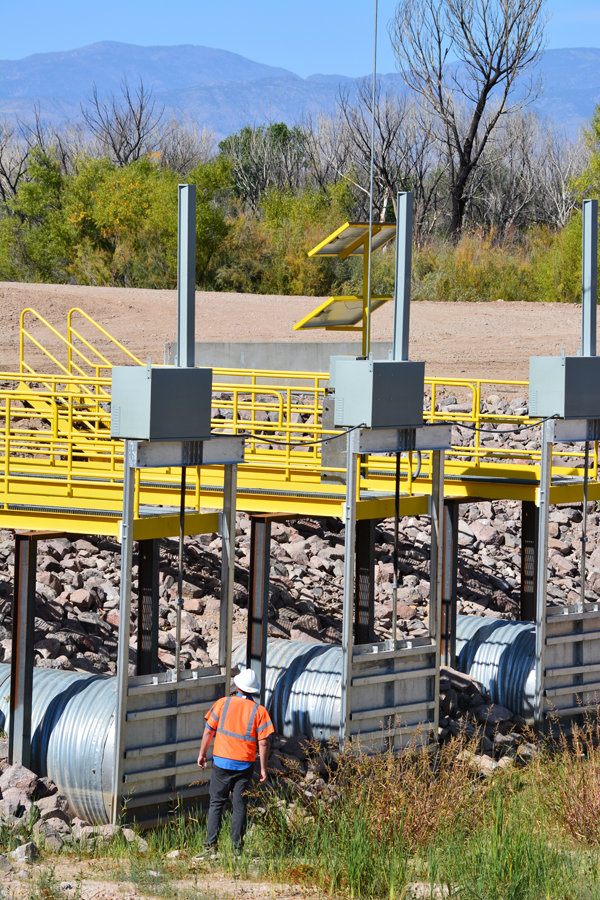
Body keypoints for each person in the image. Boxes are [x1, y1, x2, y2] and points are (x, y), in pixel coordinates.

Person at [198, 667, 274, 854]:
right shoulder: (259, 711)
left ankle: (210, 848)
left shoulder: (222, 703)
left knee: (217, 803)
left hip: (221, 763)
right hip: (244, 765)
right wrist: (263, 768)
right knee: (240, 805)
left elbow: (209, 730)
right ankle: (237, 850)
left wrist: (202, 753)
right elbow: (263, 742)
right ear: (253, 689)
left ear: (238, 686)